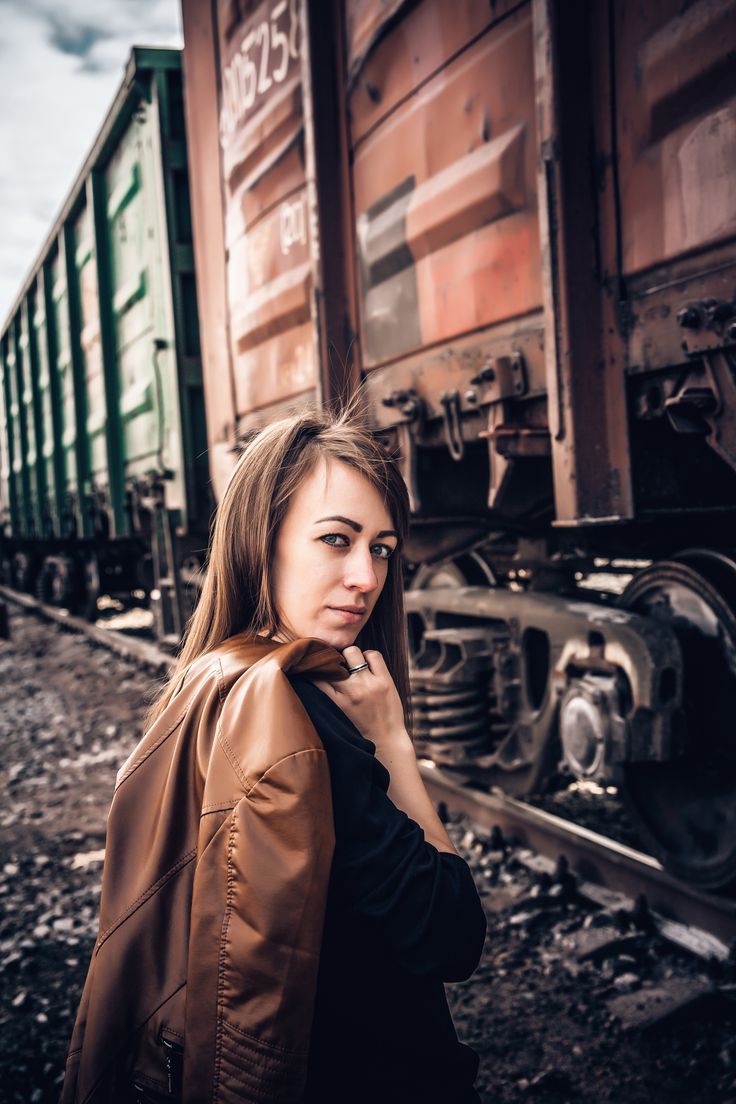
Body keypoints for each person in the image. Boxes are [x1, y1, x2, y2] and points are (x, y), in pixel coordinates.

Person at [60, 406, 487, 1104]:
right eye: (336, 539)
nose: (365, 575)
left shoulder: (209, 678)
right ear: (263, 542)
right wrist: (395, 747)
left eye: (380, 548)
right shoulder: (305, 718)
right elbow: (450, 935)